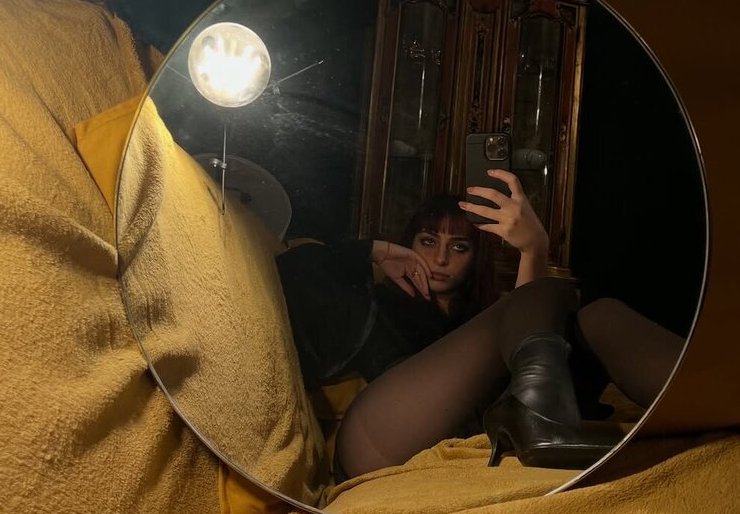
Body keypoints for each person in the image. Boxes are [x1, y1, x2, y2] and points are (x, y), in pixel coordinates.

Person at [276, 170, 685, 481]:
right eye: (427, 241)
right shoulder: (380, 298)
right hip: (376, 439)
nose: (440, 259)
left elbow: (522, 338)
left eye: (458, 247)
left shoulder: (481, 318)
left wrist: (531, 252)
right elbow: (289, 272)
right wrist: (375, 251)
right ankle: (537, 423)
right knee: (545, 299)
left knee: (600, 314)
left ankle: (702, 401)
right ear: (409, 242)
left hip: (471, 418)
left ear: (476, 258)